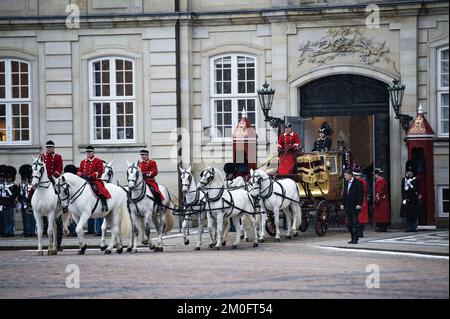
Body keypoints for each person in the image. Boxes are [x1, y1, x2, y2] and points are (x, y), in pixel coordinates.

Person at [41, 140, 64, 249]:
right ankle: (30, 205)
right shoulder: (43, 156)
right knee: (33, 189)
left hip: (54, 178)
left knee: (59, 191)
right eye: (47, 147)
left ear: (53, 148)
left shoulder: (58, 157)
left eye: (50, 147)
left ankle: (62, 204)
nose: (49, 149)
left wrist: (55, 175)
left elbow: (60, 167)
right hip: (44, 180)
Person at [77, 145, 111, 212]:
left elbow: (100, 171)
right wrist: (79, 173)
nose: (88, 153)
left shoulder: (98, 161)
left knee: (98, 189)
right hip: (84, 180)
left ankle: (104, 204)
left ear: (93, 152)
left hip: (94, 180)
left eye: (90, 152)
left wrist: (91, 176)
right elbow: (79, 170)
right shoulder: (83, 162)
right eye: (87, 152)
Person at [340, 169, 363, 244]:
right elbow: (344, 194)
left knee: (355, 223)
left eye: (346, 176)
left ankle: (355, 238)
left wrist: (359, 204)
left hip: (355, 206)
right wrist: (342, 204)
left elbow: (360, 195)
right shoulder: (346, 183)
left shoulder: (358, 183)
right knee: (348, 223)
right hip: (348, 206)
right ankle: (352, 236)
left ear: (350, 175)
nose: (345, 177)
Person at [400, 160, 421, 232]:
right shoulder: (404, 180)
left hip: (414, 199)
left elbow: (418, 189)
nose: (409, 173)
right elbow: (402, 190)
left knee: (414, 214)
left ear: (412, 172)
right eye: (408, 171)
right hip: (407, 199)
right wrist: (404, 198)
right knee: (408, 214)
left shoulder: (416, 180)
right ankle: (408, 227)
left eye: (410, 171)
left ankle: (413, 227)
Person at [1, 166, 19, 237]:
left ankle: (10, 232)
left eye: (10, 178)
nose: (8, 179)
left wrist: (8, 197)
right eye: (7, 178)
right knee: (5, 219)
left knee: (11, 219)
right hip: (5, 204)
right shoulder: (3, 186)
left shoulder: (14, 186)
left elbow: (15, 195)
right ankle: (6, 231)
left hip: (11, 204)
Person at [18, 164, 36, 237]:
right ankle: (28, 231)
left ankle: (32, 231)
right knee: (27, 218)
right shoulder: (23, 185)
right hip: (25, 202)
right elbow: (21, 194)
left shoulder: (33, 185)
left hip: (32, 202)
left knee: (33, 218)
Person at [353, 166, 369, 238]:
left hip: (357, 200)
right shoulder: (363, 180)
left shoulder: (357, 181)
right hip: (363, 199)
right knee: (361, 217)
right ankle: (360, 231)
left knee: (358, 217)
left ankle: (359, 232)